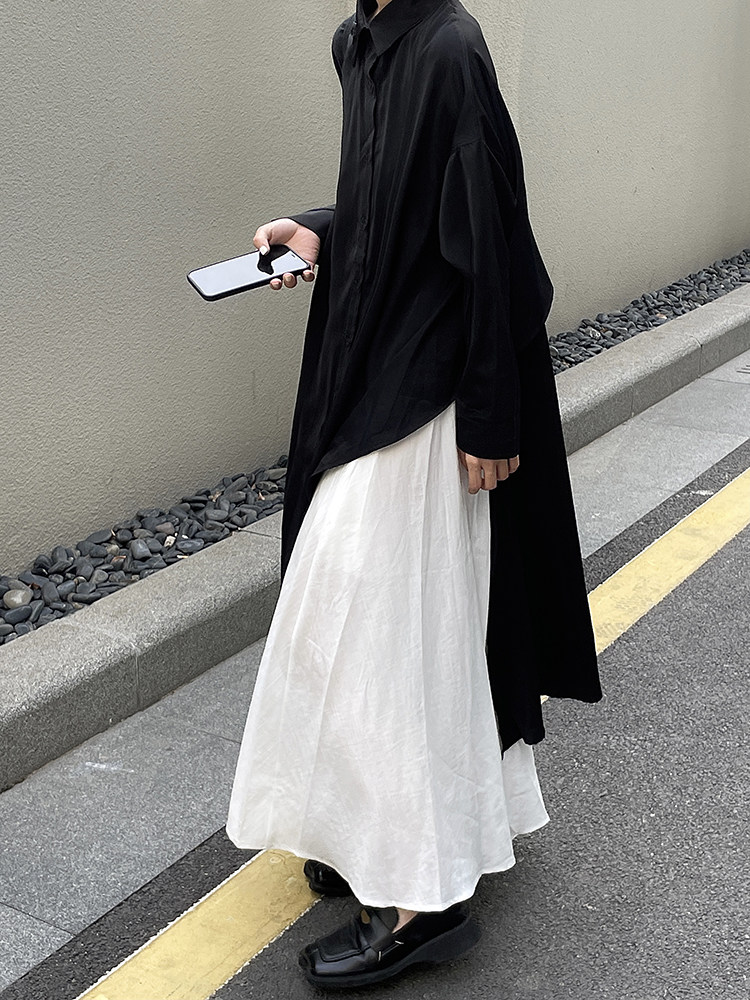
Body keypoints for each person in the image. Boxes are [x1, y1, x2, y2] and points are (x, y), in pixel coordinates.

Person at [225, 0, 603, 989]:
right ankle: (378, 832)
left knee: (389, 624)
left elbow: (495, 236)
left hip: (430, 383)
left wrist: (492, 412)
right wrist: (320, 230)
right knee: (378, 618)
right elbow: (399, 200)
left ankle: (422, 902)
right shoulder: (362, 43)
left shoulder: (447, 48)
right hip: (374, 370)